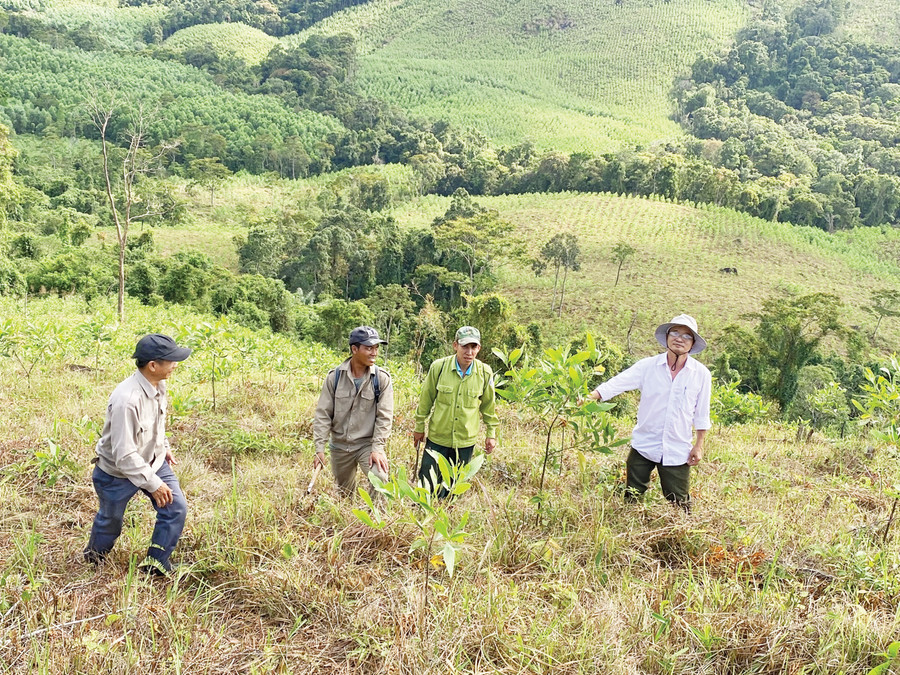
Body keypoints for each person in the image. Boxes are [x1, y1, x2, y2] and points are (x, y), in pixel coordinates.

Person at [84, 334, 191, 576]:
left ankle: (156, 564)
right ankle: (93, 561)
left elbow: (156, 423)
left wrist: (163, 446)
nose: (175, 365)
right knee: (110, 521)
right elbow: (124, 455)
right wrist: (154, 484)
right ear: (152, 365)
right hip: (117, 473)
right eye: (171, 360)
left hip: (152, 461)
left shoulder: (158, 384)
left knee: (175, 507)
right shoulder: (127, 400)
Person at [586, 314, 712, 511]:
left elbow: (702, 413)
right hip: (644, 443)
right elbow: (618, 383)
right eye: (675, 333)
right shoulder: (648, 366)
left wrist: (699, 445)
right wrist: (590, 397)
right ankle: (630, 525)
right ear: (667, 337)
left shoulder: (701, 374)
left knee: (679, 503)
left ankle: (680, 528)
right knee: (632, 496)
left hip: (677, 448)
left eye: (687, 335)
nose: (680, 339)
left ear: (693, 343)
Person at [413, 326, 499, 496]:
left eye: (473, 347)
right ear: (455, 346)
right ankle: (424, 511)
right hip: (438, 438)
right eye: (465, 346)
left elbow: (489, 406)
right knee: (427, 485)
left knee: (454, 489)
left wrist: (491, 433)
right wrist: (419, 426)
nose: (469, 352)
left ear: (479, 348)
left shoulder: (484, 372)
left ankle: (448, 511)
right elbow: (426, 400)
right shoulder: (439, 367)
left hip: (465, 441)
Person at [313, 326, 393, 496]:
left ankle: (377, 513)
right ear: (354, 349)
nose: (374, 353)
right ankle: (349, 513)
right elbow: (323, 415)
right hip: (340, 446)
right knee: (344, 493)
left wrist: (377, 449)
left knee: (380, 478)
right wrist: (319, 448)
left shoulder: (381, 379)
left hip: (367, 444)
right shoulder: (334, 377)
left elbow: (384, 417)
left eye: (376, 348)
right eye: (369, 348)